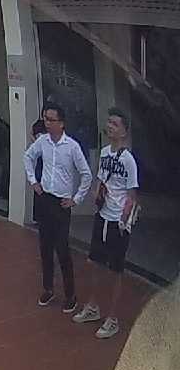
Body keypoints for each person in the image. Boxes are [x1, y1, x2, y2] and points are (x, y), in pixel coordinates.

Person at [71, 108, 139, 339]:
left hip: (118, 221)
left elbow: (132, 195)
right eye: (109, 122)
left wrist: (123, 220)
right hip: (102, 216)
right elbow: (101, 179)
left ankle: (113, 318)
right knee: (94, 262)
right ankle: (93, 306)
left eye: (115, 124)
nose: (110, 126)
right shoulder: (104, 153)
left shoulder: (128, 160)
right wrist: (97, 194)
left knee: (115, 270)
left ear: (124, 131)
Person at [24, 104, 93, 313]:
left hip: (62, 203)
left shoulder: (71, 146)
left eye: (51, 120)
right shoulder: (42, 142)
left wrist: (76, 199)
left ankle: (70, 294)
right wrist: (33, 181)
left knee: (62, 249)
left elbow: (86, 174)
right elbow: (28, 157)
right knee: (45, 247)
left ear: (61, 123)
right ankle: (48, 288)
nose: (47, 123)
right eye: (45, 119)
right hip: (45, 199)